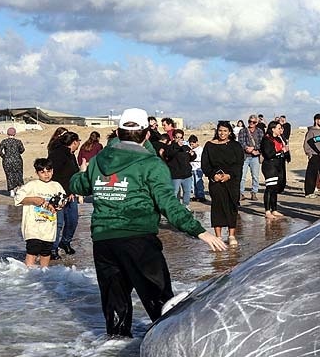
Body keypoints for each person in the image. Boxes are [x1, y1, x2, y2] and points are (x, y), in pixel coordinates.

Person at [70, 108, 226, 338]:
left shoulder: (98, 161)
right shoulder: (151, 164)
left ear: (118, 132)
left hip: (104, 241)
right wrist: (200, 231)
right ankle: (175, 349)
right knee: (161, 302)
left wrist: (81, 172)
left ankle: (114, 351)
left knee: (115, 304)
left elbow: (78, 186)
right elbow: (167, 203)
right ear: (146, 134)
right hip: (138, 240)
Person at [13, 158, 65, 268]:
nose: (46, 174)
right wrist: (33, 200)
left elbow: (62, 200)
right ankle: (28, 274)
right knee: (33, 250)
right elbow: (18, 198)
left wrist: (60, 205)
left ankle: (44, 275)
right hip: (33, 227)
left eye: (49, 171)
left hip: (49, 228)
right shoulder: (32, 185)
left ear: (52, 171)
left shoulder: (56, 185)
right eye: (42, 172)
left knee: (46, 252)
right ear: (37, 173)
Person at [201, 120, 245, 244]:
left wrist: (229, 175)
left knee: (232, 206)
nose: (222, 133)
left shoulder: (235, 145)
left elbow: (239, 163)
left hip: (232, 180)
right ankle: (218, 236)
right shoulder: (209, 145)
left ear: (229, 132)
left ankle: (231, 235)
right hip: (215, 180)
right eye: (220, 130)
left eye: (225, 131)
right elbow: (205, 164)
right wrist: (212, 175)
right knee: (217, 206)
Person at [49, 131, 81, 258]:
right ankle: (53, 248)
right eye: (79, 141)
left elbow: (73, 173)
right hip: (58, 194)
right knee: (58, 223)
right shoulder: (57, 154)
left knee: (73, 220)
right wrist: (65, 192)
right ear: (74, 142)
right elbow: (54, 175)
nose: (79, 143)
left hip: (71, 194)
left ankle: (65, 242)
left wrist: (73, 191)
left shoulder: (71, 154)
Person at [259, 120, 288, 219]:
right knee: (270, 188)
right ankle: (267, 211)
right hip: (269, 166)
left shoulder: (280, 139)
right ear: (273, 129)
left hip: (278, 165)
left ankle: (274, 209)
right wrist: (281, 151)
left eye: (281, 128)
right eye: (279, 128)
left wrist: (285, 153)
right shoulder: (266, 139)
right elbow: (268, 154)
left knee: (275, 189)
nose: (281, 130)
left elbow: (283, 150)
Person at [161, 129, 194, 207]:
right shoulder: (170, 147)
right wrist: (177, 146)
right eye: (177, 137)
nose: (179, 139)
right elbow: (169, 154)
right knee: (175, 192)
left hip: (186, 175)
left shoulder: (186, 147)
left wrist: (192, 154)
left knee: (187, 191)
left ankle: (185, 206)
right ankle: (175, 207)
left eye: (180, 137)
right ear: (173, 137)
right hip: (175, 175)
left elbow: (191, 158)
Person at [237, 115, 263, 200]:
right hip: (245, 156)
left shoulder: (259, 131)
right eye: (250, 121)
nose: (251, 123)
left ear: (256, 123)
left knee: (255, 176)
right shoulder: (243, 131)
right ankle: (241, 193)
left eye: (254, 122)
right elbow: (241, 142)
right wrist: (249, 149)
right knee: (242, 176)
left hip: (255, 157)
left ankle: (254, 192)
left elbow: (262, 143)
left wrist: (254, 148)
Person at [302, 113, 320, 198]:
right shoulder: (311, 132)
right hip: (314, 155)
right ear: (316, 120)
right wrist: (309, 154)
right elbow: (306, 144)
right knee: (312, 174)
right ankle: (309, 192)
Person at [0, 127, 26, 194]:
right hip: (17, 160)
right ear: (14, 134)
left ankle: (11, 191)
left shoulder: (4, 141)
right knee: (19, 174)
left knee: (9, 175)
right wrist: (17, 153)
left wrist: (4, 157)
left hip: (7, 161)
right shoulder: (18, 142)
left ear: (7, 133)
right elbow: (22, 150)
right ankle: (19, 190)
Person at [187, 134, 206, 202]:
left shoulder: (200, 149)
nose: (192, 145)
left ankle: (201, 195)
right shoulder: (190, 149)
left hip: (198, 168)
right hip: (192, 168)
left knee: (198, 182)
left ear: (196, 142)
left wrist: (193, 157)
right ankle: (195, 195)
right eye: (190, 144)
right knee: (192, 183)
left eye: (193, 144)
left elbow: (200, 158)